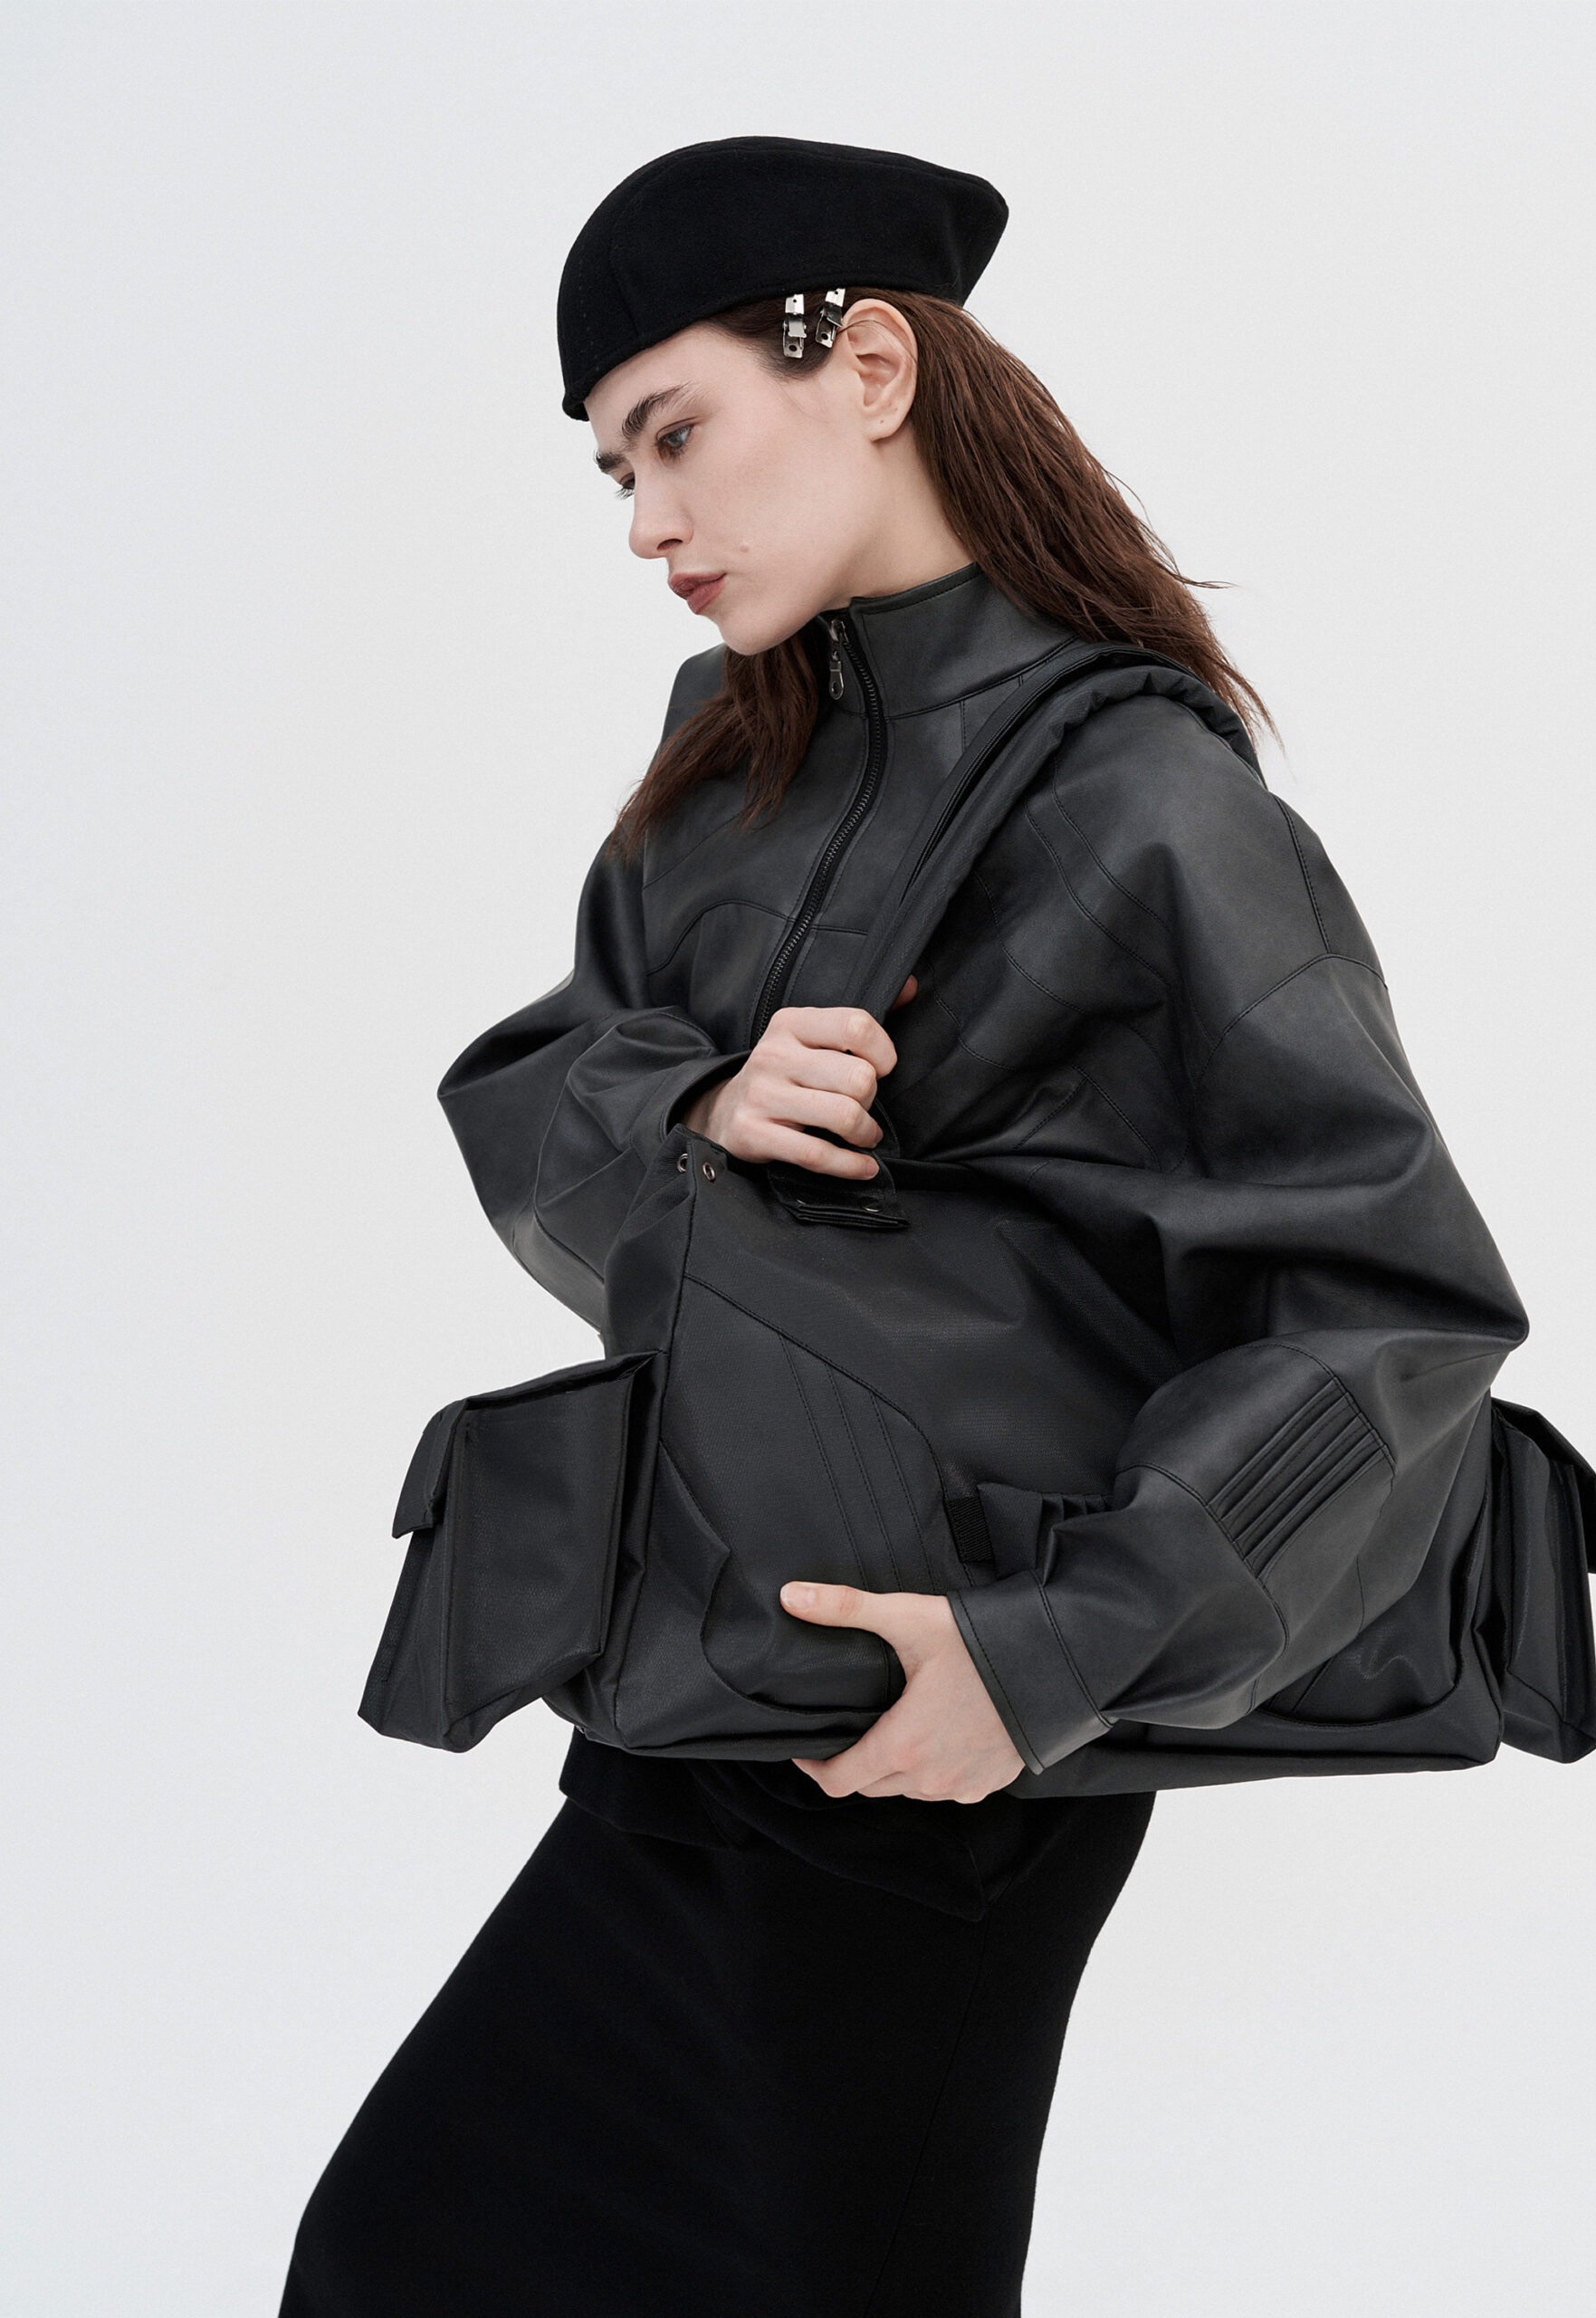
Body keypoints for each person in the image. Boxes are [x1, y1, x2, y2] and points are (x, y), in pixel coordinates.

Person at [282, 137, 1524, 2316]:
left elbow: (1390, 1308)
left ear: (865, 365)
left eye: (676, 433)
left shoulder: (1147, 802)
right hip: (687, 1692)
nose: (646, 518)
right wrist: (690, 1098)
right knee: (406, 2248)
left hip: (944, 1752)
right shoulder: (726, 760)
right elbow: (538, 1090)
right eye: (613, 471)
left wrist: (1047, 1658)